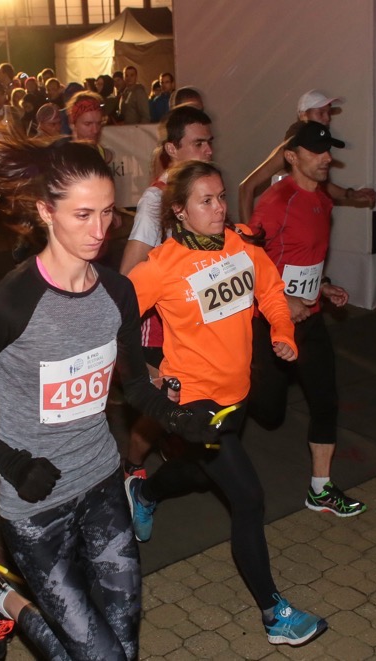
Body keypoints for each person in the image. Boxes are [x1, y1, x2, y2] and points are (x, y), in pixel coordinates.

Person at [0, 135, 217, 660]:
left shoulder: (117, 291)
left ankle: (2, 600)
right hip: (36, 506)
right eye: (83, 215)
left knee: (122, 647)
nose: (99, 231)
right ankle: (4, 598)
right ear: (46, 212)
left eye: (108, 213)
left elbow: (135, 386)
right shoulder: (10, 304)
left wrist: (180, 418)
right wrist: (12, 465)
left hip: (102, 485)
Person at [125, 159, 328, 647]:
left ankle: (145, 494)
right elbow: (111, 321)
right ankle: (274, 614)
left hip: (236, 395)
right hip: (194, 406)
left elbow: (271, 290)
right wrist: (146, 375)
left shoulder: (239, 245)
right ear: (179, 210)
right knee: (248, 498)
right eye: (206, 201)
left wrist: (283, 333)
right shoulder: (161, 267)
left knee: (199, 475)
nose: (219, 208)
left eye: (220, 197)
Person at [248, 120, 366, 517]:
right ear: (292, 156)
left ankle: (321, 488)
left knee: (325, 400)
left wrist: (323, 286)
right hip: (272, 322)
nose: (326, 158)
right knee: (269, 413)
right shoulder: (275, 202)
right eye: (317, 151)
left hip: (311, 318)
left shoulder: (323, 200)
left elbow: (305, 258)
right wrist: (284, 299)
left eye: (328, 150)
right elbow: (249, 262)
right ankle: (235, 383)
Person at [118, 105, 216, 479]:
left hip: (195, 322)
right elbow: (128, 274)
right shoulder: (156, 199)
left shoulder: (206, 192)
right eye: (198, 143)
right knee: (161, 409)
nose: (208, 150)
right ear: (172, 149)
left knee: (189, 406)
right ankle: (132, 469)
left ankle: (171, 449)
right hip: (159, 329)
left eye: (209, 142)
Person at [238, 89, 376, 224]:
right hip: (282, 227)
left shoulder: (313, 148)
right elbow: (246, 187)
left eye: (328, 113)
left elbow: (321, 186)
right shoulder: (290, 149)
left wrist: (351, 194)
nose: (327, 118)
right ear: (303, 115)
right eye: (320, 113)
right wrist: (248, 235)